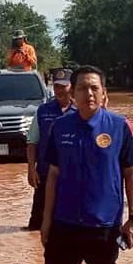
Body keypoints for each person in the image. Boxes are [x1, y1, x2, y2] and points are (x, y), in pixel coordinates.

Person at [40, 65, 133, 264]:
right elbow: (53, 175)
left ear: (103, 92)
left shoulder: (119, 126)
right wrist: (46, 221)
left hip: (103, 224)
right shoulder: (60, 127)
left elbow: (131, 172)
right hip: (64, 222)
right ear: (73, 94)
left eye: (94, 88)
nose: (89, 93)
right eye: (82, 88)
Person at [25, 68, 75, 231]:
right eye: (57, 86)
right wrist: (31, 169)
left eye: (64, 86)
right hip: (45, 174)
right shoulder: (43, 111)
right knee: (35, 226)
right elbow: (32, 142)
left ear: (72, 88)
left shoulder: (81, 111)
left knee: (70, 223)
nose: (60, 90)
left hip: (72, 176)